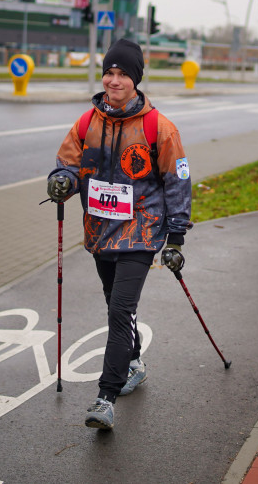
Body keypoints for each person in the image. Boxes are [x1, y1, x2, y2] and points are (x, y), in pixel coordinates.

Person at [46, 38, 192, 431]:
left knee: (119, 311)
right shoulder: (86, 123)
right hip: (98, 231)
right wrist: (61, 181)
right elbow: (67, 164)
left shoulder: (157, 127)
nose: (114, 80)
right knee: (116, 303)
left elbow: (178, 182)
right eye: (109, 72)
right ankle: (133, 363)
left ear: (136, 79)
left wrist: (176, 236)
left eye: (122, 74)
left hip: (142, 232)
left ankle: (105, 398)